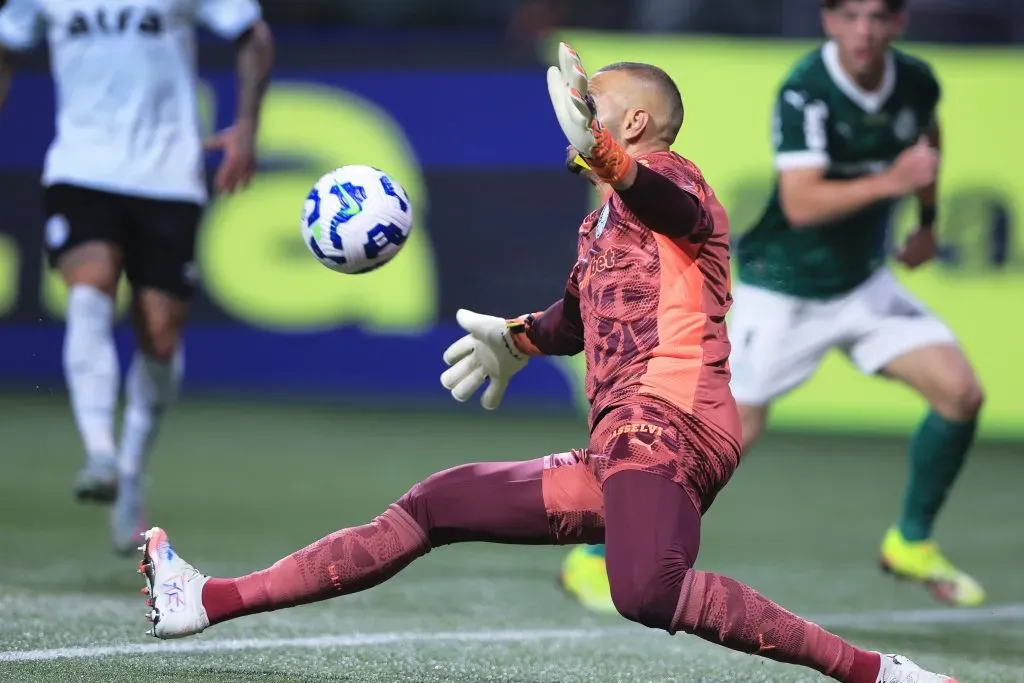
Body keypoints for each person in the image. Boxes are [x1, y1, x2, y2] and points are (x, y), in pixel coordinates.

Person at [134, 44, 955, 683]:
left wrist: (605, 154)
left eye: (593, 101)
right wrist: (518, 337)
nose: (575, 107)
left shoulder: (673, 178)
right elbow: (575, 317)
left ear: (629, 126)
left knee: (645, 590)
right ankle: (205, 600)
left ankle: (877, 671)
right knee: (436, 503)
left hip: (670, 416)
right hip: (624, 442)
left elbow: (664, 201)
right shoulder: (600, 226)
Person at [560, 0, 984, 613]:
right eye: (851, 16)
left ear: (899, 22)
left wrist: (927, 219)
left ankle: (910, 542)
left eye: (878, 17)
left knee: (960, 393)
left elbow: (928, 134)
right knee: (722, 434)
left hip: (863, 285)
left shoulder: (915, 81)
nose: (864, 31)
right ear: (829, 20)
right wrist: (896, 182)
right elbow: (804, 202)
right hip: (782, 290)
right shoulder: (807, 91)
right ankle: (593, 555)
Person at [0, 0, 274, 553]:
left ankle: (129, 471)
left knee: (160, 332)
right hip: (81, 168)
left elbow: (254, 36)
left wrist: (246, 128)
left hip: (168, 174)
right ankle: (99, 451)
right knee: (89, 287)